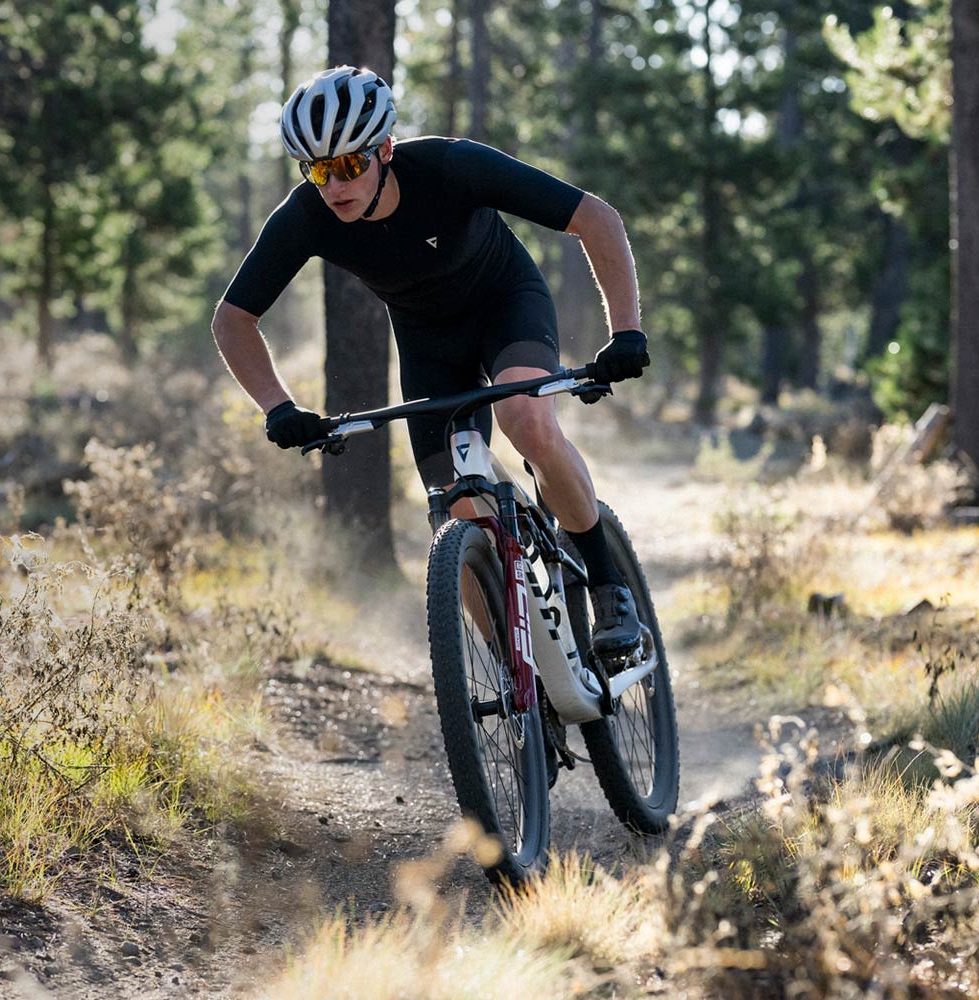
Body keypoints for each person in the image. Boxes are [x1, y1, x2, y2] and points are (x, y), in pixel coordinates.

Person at [212, 65, 651, 658]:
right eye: (318, 170)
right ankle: (510, 672)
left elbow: (596, 218)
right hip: (428, 344)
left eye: (349, 166)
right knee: (452, 505)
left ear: (385, 149)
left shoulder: (452, 167)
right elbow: (233, 320)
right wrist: (278, 407)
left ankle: (606, 584)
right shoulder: (307, 216)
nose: (334, 185)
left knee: (526, 419)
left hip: (505, 305)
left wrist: (625, 331)